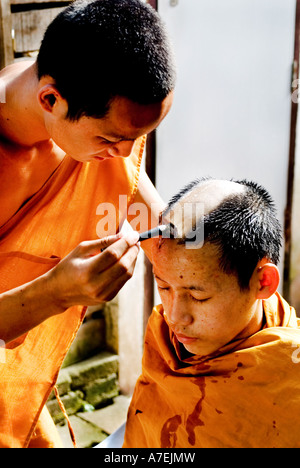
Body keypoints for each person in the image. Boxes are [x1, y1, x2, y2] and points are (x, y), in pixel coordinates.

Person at [0, 0, 175, 448]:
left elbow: (165, 229)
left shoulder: (69, 100)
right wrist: (55, 291)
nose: (126, 154)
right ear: (51, 100)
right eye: (113, 140)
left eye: (137, 139)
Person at [123, 177, 300, 448]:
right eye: (164, 287)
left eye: (198, 296)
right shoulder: (167, 333)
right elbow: (122, 174)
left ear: (263, 282)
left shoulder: (289, 371)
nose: (174, 317)